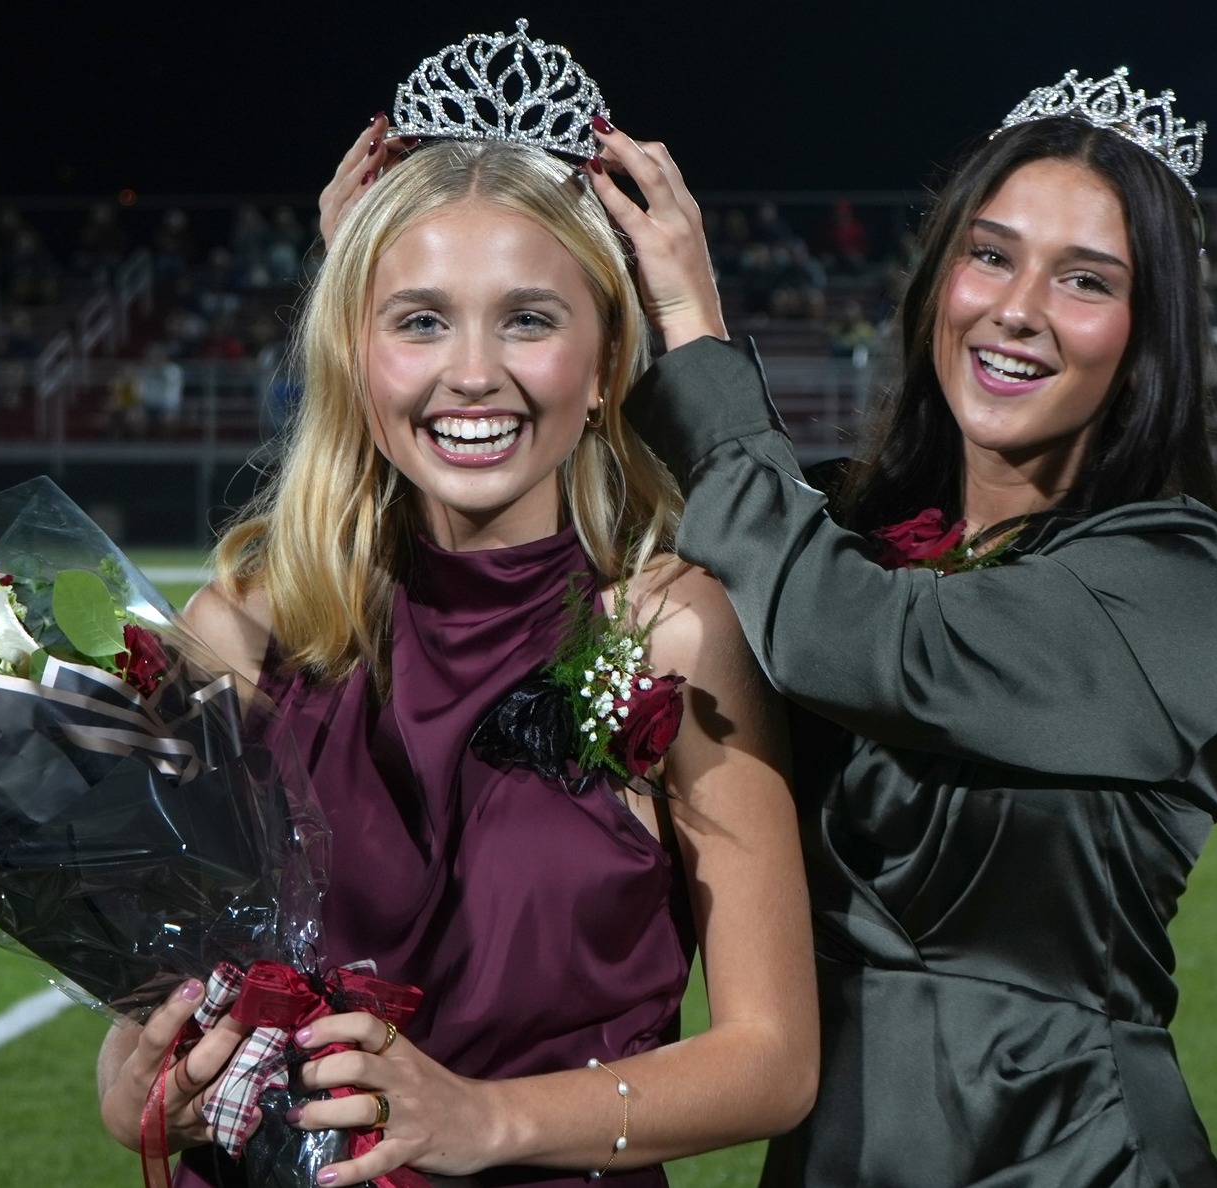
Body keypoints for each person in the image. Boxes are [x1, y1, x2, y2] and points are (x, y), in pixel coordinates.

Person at [97, 29, 817, 1188]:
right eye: (420, 319)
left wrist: (484, 1119)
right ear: (357, 355)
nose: (470, 371)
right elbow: (150, 1016)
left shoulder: (676, 632)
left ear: (601, 363)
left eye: (528, 319)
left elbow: (774, 1060)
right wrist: (140, 1086)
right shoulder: (239, 628)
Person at [582, 68, 1217, 1186]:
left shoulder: (1181, 581)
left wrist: (697, 324)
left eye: (1085, 280)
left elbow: (857, 638)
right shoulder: (845, 529)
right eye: (990, 254)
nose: (1017, 307)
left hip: (1075, 1159)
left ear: (1150, 337)